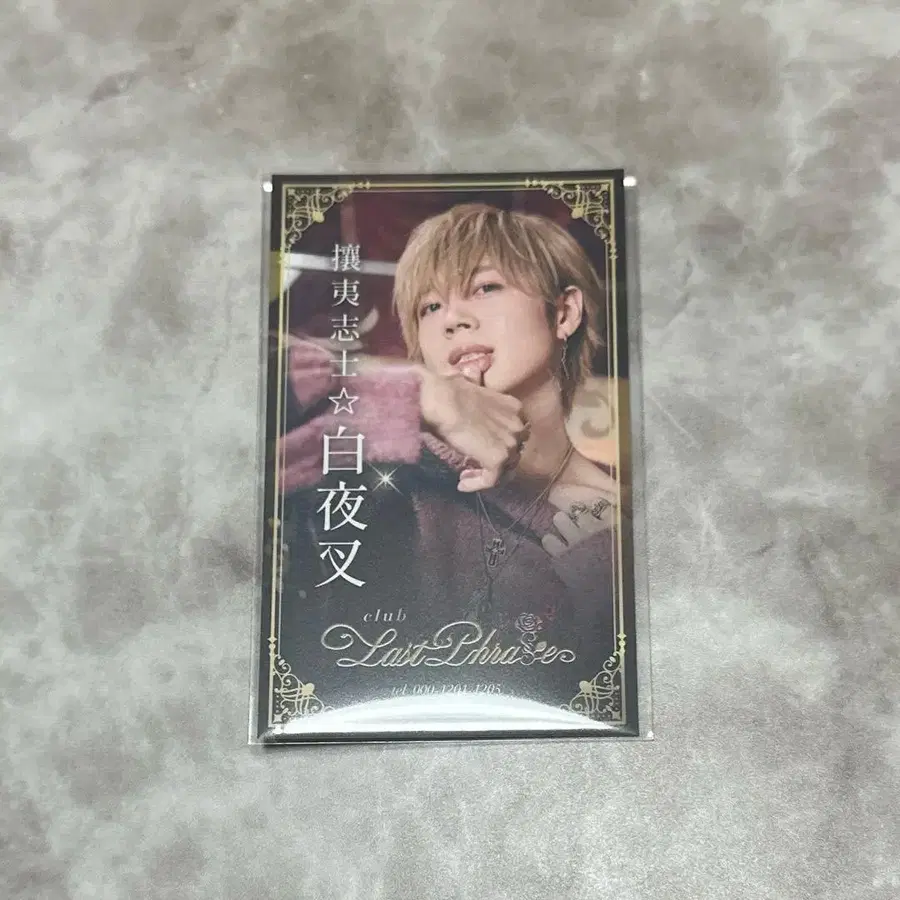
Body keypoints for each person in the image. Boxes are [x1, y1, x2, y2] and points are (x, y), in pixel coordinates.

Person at [277, 202, 620, 679]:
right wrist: (419, 392)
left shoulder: (641, 515)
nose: (451, 320)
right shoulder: (393, 461)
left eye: (485, 288)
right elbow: (236, 400)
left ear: (564, 312)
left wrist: (603, 575)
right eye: (430, 307)